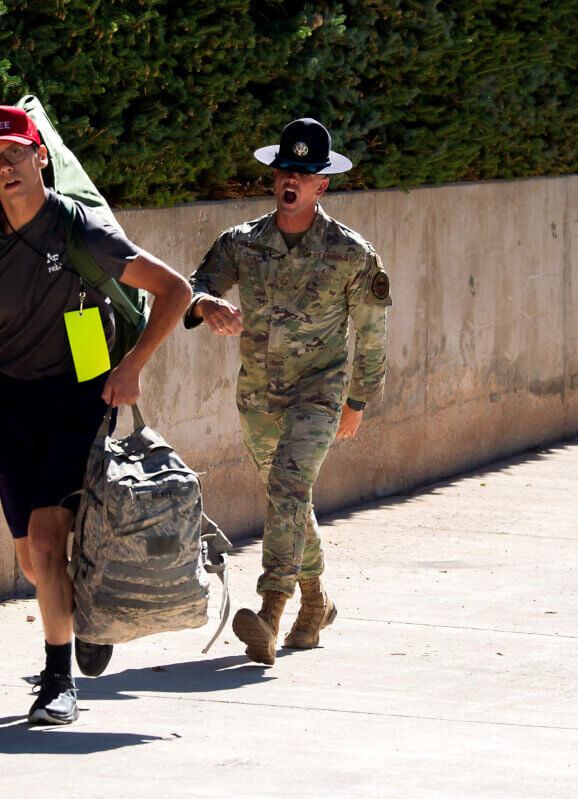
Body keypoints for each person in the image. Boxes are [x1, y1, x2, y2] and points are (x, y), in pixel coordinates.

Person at [0, 105, 191, 724]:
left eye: (13, 153)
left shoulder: (81, 231)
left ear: (40, 156)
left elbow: (175, 290)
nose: (4, 167)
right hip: (12, 405)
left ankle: (58, 683)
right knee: (34, 561)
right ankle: (83, 611)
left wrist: (132, 365)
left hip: (80, 398)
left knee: (44, 536)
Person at [185, 117, 390, 665]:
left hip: (319, 393)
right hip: (258, 395)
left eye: (304, 172)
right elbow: (195, 284)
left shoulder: (351, 253)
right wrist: (207, 306)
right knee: (289, 499)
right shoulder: (243, 243)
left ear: (322, 185)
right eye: (284, 170)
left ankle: (270, 612)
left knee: (286, 487)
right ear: (274, 178)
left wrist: (357, 402)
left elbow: (371, 336)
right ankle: (316, 602)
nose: (291, 180)